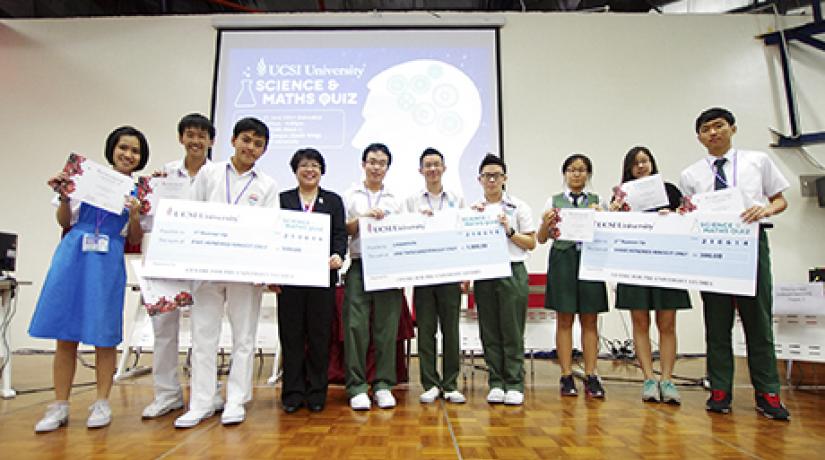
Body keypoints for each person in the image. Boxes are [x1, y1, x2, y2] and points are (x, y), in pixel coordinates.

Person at [30, 126, 150, 432]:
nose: (128, 155)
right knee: (65, 333)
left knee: (103, 333)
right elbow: (64, 221)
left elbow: (135, 239)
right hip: (73, 255)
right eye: (123, 148)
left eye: (135, 151)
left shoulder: (140, 192)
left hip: (108, 258)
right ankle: (59, 404)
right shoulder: (85, 178)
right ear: (112, 149)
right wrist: (64, 196)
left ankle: (101, 401)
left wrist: (135, 215)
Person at [680, 107, 790, 420]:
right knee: (716, 323)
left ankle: (768, 392)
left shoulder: (758, 161)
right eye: (705, 129)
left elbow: (781, 200)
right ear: (699, 137)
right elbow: (688, 213)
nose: (713, 133)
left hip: (750, 246)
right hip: (711, 252)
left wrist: (765, 211)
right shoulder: (691, 175)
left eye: (718, 126)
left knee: (758, 321)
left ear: (732, 128)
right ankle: (719, 390)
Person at [174, 117, 278, 428]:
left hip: (244, 271)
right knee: (204, 335)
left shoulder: (267, 184)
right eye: (246, 140)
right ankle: (202, 402)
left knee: (244, 336)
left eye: (258, 144)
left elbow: (270, 230)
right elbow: (192, 214)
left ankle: (236, 400)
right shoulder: (209, 173)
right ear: (233, 140)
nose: (251, 147)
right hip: (206, 266)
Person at [142, 113, 221, 419]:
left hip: (204, 262)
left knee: (205, 331)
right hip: (167, 260)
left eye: (202, 136)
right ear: (181, 138)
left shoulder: (219, 175)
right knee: (163, 329)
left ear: (211, 141)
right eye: (190, 134)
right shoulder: (163, 176)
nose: (196, 141)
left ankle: (208, 393)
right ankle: (167, 394)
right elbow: (148, 222)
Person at [609, 146, 691, 404]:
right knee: (640, 322)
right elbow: (612, 230)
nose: (641, 167)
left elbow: (689, 221)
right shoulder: (621, 196)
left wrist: (675, 216)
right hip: (633, 263)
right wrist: (614, 211)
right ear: (629, 169)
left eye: (645, 161)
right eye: (635, 164)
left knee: (667, 323)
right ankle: (648, 378)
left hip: (667, 264)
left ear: (653, 164)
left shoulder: (670, 191)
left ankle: (667, 379)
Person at [277, 148, 347, 413]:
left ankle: (317, 392)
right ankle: (292, 393)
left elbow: (340, 234)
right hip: (290, 280)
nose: (310, 169)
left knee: (319, 336)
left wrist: (338, 255)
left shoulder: (333, 201)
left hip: (322, 278)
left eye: (315, 165)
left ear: (322, 171)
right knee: (292, 336)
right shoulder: (282, 199)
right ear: (295, 170)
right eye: (304, 165)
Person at [537, 153, 608, 399]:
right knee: (564, 319)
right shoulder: (553, 201)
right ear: (564, 174)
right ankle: (566, 375)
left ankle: (591, 374)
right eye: (571, 169)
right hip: (563, 261)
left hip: (590, 262)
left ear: (588, 174)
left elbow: (608, 236)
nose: (576, 173)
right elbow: (541, 239)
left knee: (590, 320)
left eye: (581, 169)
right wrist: (546, 223)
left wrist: (603, 217)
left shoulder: (598, 202)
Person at [342, 143, 404, 411]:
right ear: (363, 164)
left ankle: (383, 385)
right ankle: (356, 386)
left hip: (388, 267)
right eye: (372, 162)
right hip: (359, 265)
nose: (376, 167)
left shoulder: (395, 199)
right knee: (356, 327)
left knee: (386, 328)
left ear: (387, 167)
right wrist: (363, 217)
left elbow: (405, 233)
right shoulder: (350, 195)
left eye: (382, 162)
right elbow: (343, 229)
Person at [472, 153, 536, 406]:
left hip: (512, 270)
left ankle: (514, 383)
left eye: (496, 175)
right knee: (489, 330)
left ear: (504, 178)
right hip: (485, 273)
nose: (491, 180)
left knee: (511, 329)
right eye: (486, 176)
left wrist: (509, 231)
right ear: (480, 179)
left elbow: (531, 242)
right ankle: (496, 382)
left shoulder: (519, 207)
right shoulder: (474, 209)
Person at [405, 148, 466, 404]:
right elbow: (406, 234)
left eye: (436, 165)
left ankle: (450, 383)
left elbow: (463, 236)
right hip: (423, 272)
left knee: (450, 330)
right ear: (421, 170)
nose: (432, 169)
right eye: (427, 165)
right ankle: (429, 383)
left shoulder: (456, 198)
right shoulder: (411, 201)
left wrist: (465, 272)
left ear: (444, 168)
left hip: (450, 272)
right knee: (426, 329)